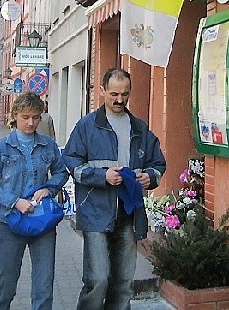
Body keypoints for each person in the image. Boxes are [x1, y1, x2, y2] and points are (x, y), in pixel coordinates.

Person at [63, 68, 166, 309]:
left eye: (125, 94)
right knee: (97, 279)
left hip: (128, 215)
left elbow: (158, 163)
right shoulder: (86, 126)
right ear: (101, 91)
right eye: (114, 94)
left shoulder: (139, 128)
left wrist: (148, 176)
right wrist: (102, 176)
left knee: (123, 283)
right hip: (96, 212)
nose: (120, 100)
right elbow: (71, 161)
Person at [0, 92, 69, 310]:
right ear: (15, 115)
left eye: (36, 117)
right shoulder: (2, 147)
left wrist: (49, 188)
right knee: (5, 286)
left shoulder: (48, 145)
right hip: (10, 222)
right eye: (26, 117)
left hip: (42, 223)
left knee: (44, 288)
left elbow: (61, 173)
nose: (31, 122)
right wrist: (14, 201)